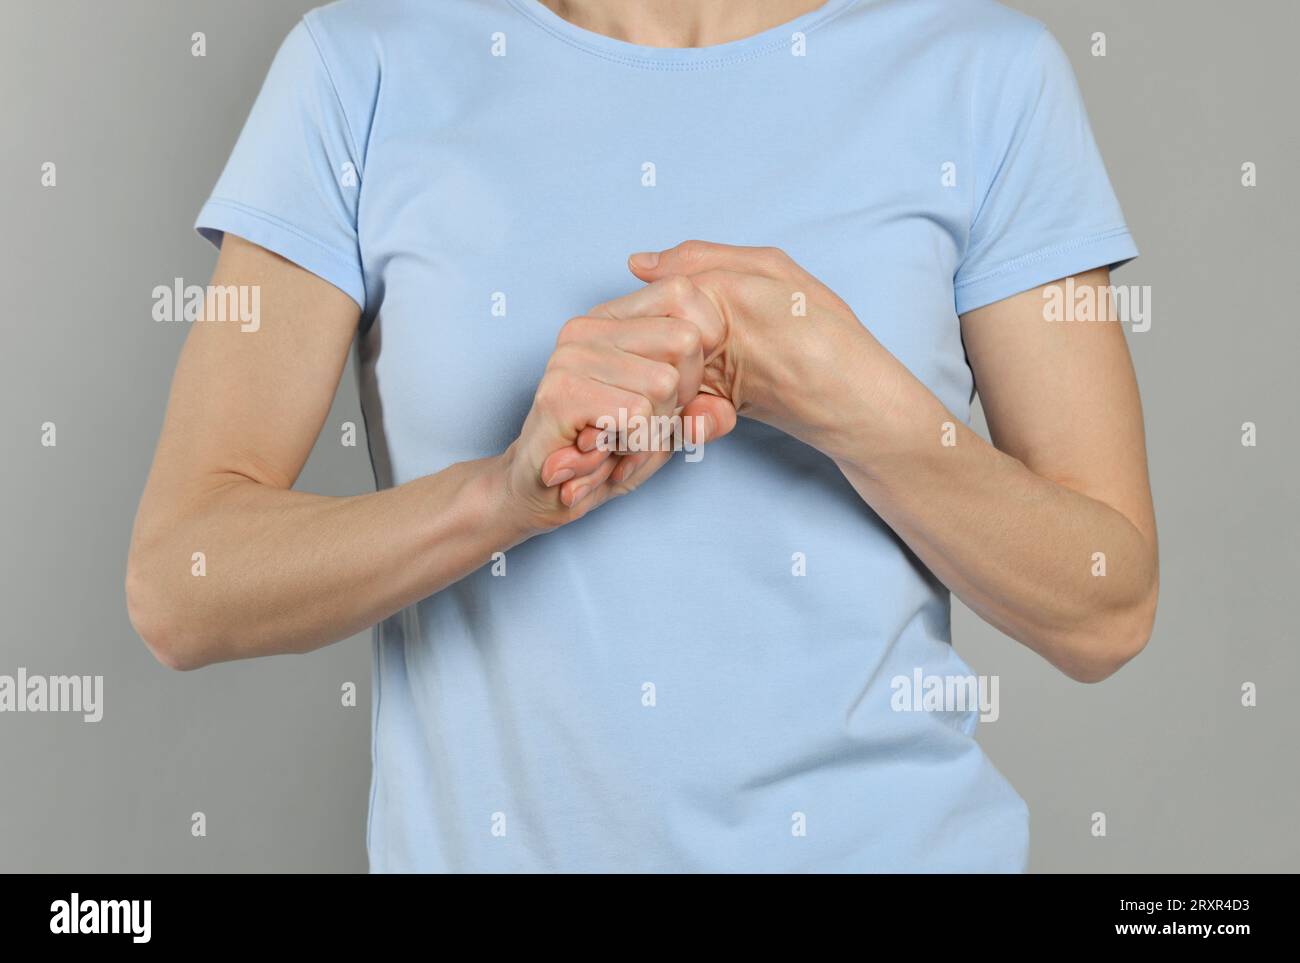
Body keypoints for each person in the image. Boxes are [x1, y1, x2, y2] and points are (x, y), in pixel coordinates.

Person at [127, 0, 1158, 872]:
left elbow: (1105, 607)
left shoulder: (984, 73)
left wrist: (855, 403)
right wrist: (499, 498)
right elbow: (183, 585)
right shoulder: (363, 65)